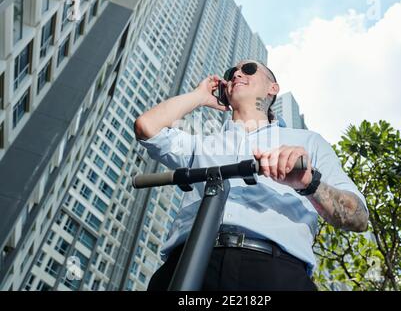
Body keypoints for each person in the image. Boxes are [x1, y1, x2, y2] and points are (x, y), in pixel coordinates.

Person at [134, 60, 369, 291]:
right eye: (231, 72)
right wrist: (199, 96)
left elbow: (357, 217)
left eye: (248, 69)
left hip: (275, 272)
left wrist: (308, 183)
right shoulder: (203, 144)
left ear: (272, 88)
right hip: (185, 266)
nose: (236, 74)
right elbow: (147, 127)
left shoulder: (309, 142)